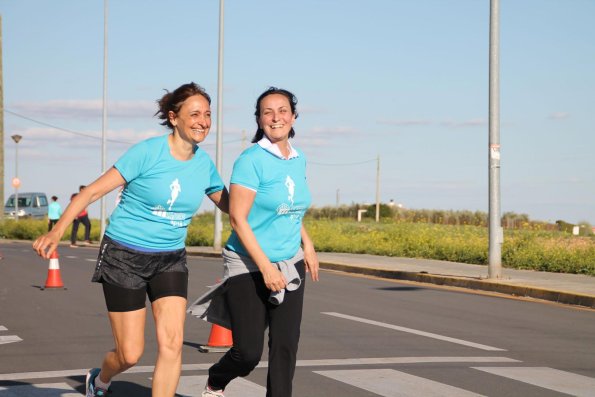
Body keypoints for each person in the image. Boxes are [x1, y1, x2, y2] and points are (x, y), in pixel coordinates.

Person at [32, 82, 229, 397]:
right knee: (130, 353)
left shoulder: (204, 164)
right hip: (124, 255)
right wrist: (57, 231)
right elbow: (92, 191)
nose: (202, 121)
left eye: (207, 114)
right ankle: (101, 379)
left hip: (170, 258)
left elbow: (233, 207)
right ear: (173, 117)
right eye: (194, 114)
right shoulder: (147, 152)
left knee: (172, 343)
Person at [191, 87, 319, 397]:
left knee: (285, 346)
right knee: (247, 352)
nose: (276, 117)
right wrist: (265, 267)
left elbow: (291, 209)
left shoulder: (299, 159)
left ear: (294, 116)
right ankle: (216, 380)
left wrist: (308, 246)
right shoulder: (251, 160)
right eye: (268, 112)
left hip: (290, 263)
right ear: (259, 120)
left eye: (283, 110)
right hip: (248, 263)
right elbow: (238, 218)